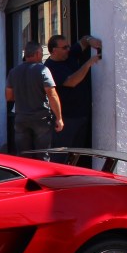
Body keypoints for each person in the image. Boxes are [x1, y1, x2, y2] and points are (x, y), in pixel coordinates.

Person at [45, 34, 101, 163]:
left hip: (81, 114)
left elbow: (83, 41)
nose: (68, 49)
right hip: (66, 118)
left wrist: (90, 40)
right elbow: (72, 81)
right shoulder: (50, 67)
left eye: (68, 46)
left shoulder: (68, 55)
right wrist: (88, 64)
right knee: (61, 155)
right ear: (54, 50)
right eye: (64, 47)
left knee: (77, 155)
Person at [6, 41, 64, 160]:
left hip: (21, 118)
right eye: (42, 53)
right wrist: (59, 118)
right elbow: (52, 94)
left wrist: (23, 95)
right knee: (42, 155)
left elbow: (9, 97)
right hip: (40, 118)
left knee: (23, 155)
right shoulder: (42, 69)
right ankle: (41, 178)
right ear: (37, 53)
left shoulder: (13, 72)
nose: (42, 55)